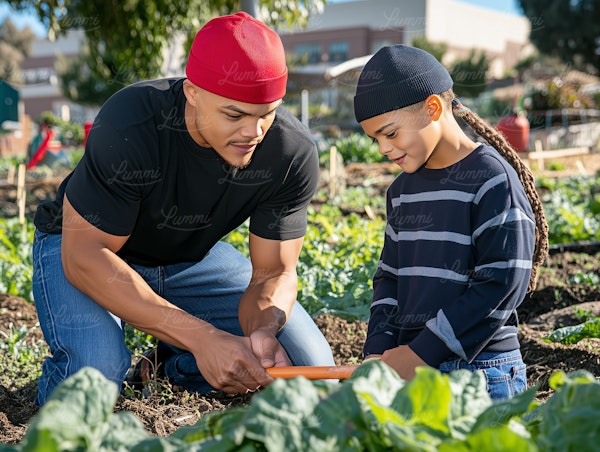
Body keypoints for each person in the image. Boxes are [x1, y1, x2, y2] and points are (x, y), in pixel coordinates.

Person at [31, 11, 335, 406]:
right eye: (234, 114)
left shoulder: (290, 152)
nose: (253, 133)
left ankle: (167, 367)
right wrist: (203, 337)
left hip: (186, 261)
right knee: (97, 375)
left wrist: (262, 327)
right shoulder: (132, 123)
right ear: (193, 92)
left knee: (303, 363)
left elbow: (274, 272)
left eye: (267, 114)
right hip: (83, 248)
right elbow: (84, 257)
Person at [353, 45, 548, 400]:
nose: (383, 148)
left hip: (483, 375)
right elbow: (389, 277)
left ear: (433, 108)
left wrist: (423, 350)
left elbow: (503, 282)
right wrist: (378, 351)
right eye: (375, 138)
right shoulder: (401, 191)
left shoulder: (492, 180)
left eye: (390, 133)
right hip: (416, 372)